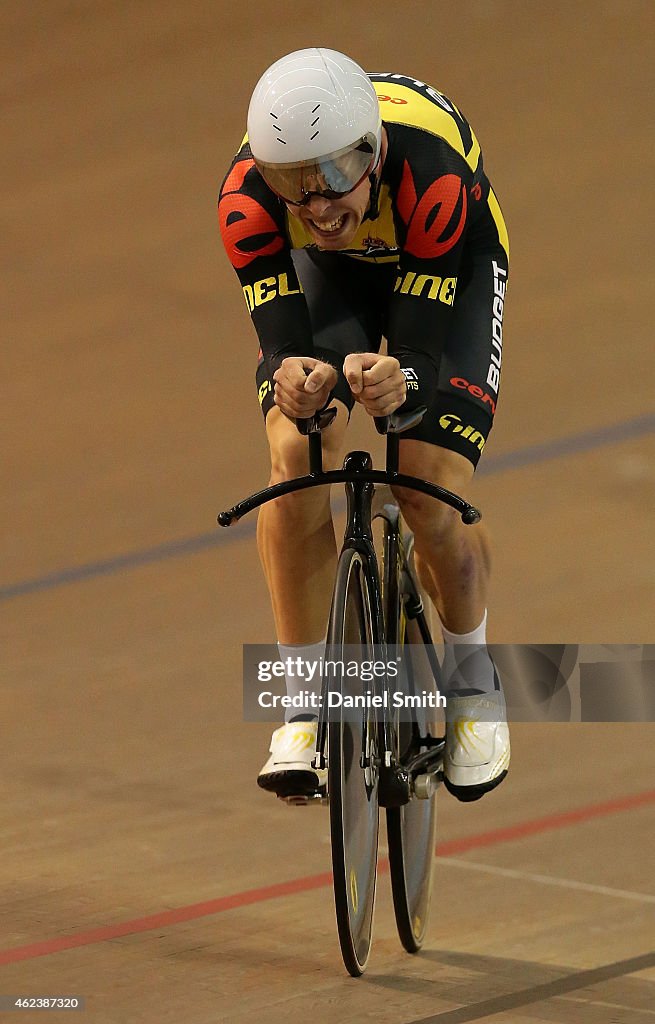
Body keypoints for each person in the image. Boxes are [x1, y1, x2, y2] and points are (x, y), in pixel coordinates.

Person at [218, 48, 510, 802]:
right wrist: (295, 373)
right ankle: (302, 709)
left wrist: (400, 376)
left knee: (425, 482)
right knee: (293, 454)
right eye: (294, 186)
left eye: (335, 179)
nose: (317, 206)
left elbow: (416, 343)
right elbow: (282, 336)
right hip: (337, 277)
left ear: (372, 151)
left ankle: (473, 686)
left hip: (448, 256)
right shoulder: (247, 200)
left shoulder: (432, 172)